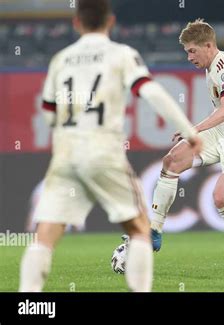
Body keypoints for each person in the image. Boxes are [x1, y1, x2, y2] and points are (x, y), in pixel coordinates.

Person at [19, 0, 201, 292]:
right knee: (140, 229)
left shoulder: (61, 59)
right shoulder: (121, 54)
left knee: (45, 236)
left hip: (65, 153)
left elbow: (48, 113)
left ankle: (26, 302)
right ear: (111, 21)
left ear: (76, 23)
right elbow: (150, 91)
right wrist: (189, 131)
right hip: (104, 150)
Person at [150, 19, 224, 275]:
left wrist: (193, 130)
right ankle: (154, 231)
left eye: (192, 50)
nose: (189, 57)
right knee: (172, 160)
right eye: (187, 52)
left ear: (208, 45)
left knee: (221, 197)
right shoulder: (210, 66)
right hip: (222, 133)